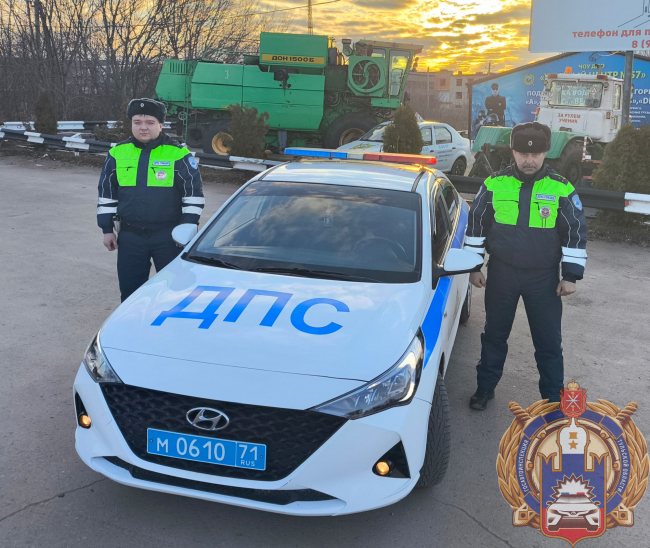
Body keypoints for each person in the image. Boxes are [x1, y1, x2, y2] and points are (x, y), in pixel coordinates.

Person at [464, 122, 587, 410]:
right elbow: (477, 225)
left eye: (536, 154)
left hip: (543, 279)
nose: (529, 160)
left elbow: (575, 231)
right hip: (502, 273)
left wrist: (570, 276)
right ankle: (485, 388)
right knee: (494, 335)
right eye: (523, 154)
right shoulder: (494, 184)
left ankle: (554, 401)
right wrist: (474, 266)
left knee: (548, 343)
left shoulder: (561, 188)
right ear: (513, 152)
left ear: (545, 154)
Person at [97, 98, 205, 302]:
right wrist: (107, 229)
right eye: (137, 122)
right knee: (130, 295)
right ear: (131, 124)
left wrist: (186, 231)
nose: (143, 127)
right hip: (130, 237)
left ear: (161, 125)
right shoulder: (117, 153)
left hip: (169, 238)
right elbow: (107, 194)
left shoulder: (178, 154)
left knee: (174, 293)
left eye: (150, 122)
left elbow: (193, 195)